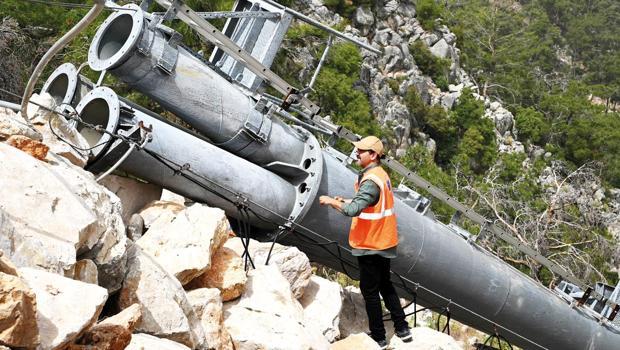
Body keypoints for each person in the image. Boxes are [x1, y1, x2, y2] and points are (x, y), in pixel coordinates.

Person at [319, 136, 412, 349]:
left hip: (371, 244)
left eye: (361, 151)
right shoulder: (380, 175)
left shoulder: (371, 181)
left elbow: (353, 211)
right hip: (384, 241)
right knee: (386, 285)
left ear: (373, 155)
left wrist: (331, 201)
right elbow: (369, 203)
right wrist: (348, 200)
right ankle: (402, 328)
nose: (357, 154)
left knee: (370, 291)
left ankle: (378, 337)